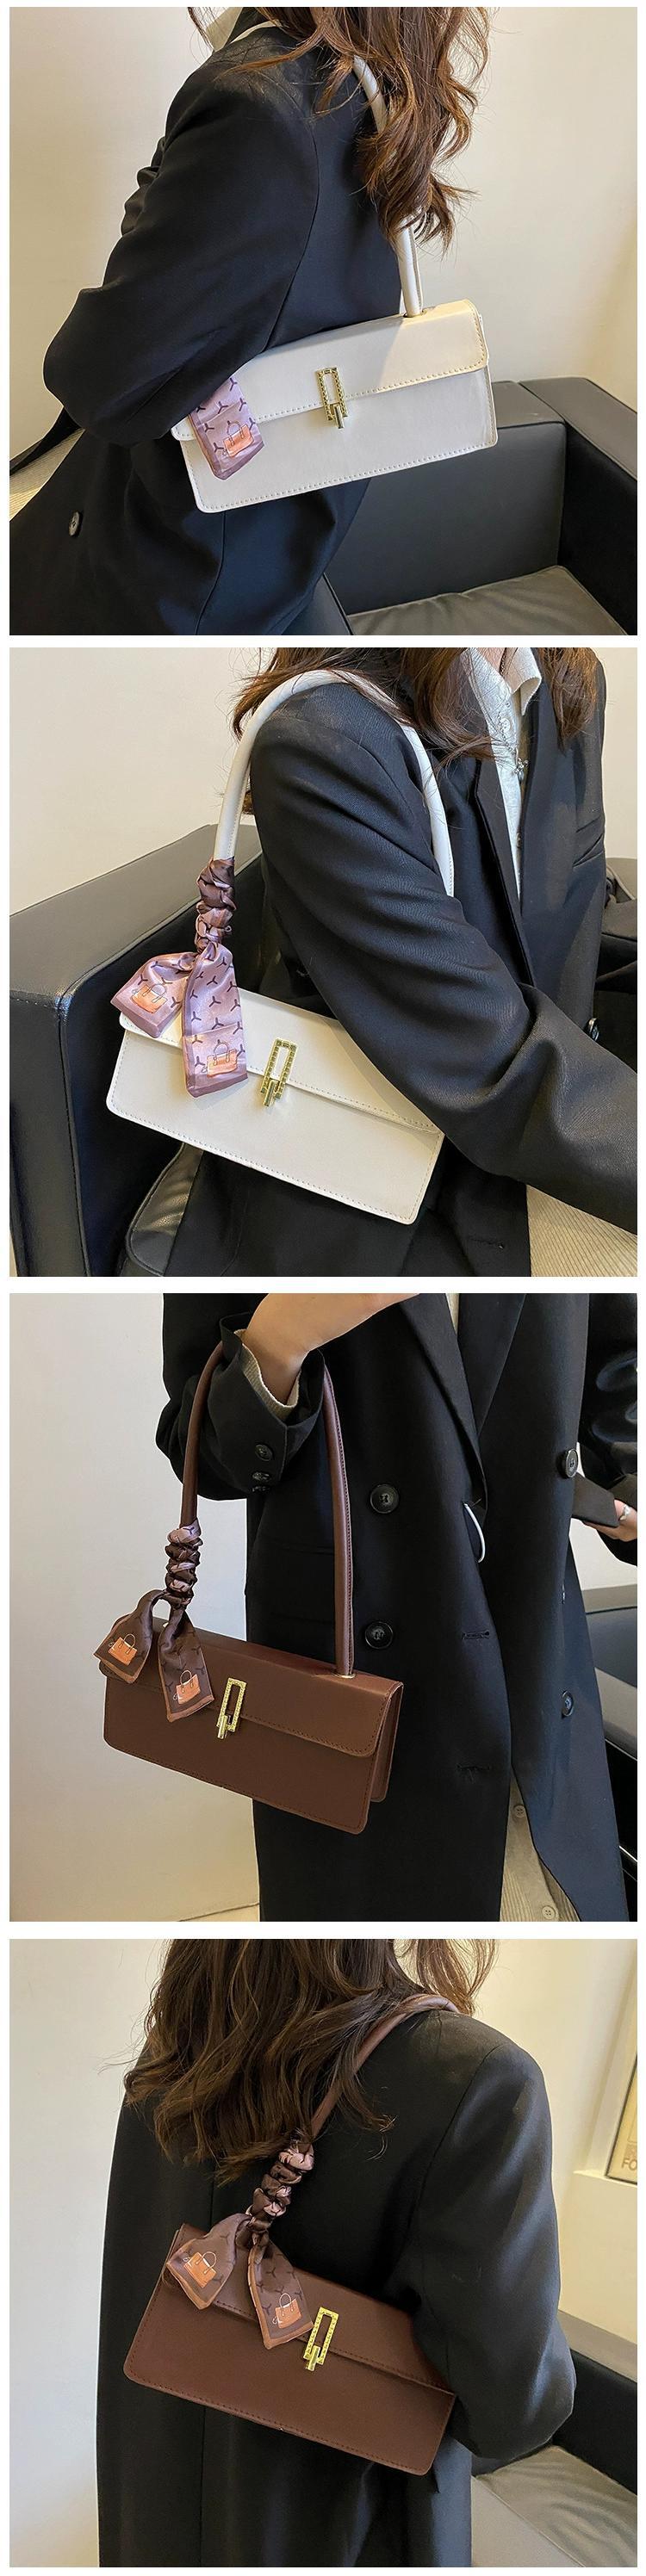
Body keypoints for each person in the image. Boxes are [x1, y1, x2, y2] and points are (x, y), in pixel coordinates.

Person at [136, 644, 637, 1279]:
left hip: (539, 1125)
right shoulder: (327, 737)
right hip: (382, 1186)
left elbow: (567, 922)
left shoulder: (567, 685)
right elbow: (481, 1052)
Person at [158, 1289, 637, 1921]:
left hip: (536, 1633)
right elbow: (204, 1449)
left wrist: (625, 1469)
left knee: (566, 1901)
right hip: (357, 1649)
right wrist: (275, 1343)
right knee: (364, 1950)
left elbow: (614, 1354)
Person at [96, 1935, 575, 2567]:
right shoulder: (478, 2081)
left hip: (153, 2511)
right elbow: (514, 2412)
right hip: (347, 2536)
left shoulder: (172, 2051)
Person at [10, 7, 488, 635]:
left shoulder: (258, 103)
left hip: (171, 565)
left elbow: (95, 378)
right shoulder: (373, 85)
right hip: (267, 546)